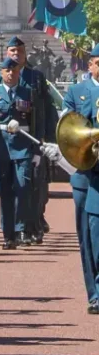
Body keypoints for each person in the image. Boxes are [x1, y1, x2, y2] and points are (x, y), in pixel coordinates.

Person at [0, 58, 52, 250]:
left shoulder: (28, 93)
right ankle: (8, 235)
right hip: (1, 149)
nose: (11, 74)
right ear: (1, 73)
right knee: (5, 193)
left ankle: (21, 229)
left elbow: (37, 123)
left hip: (22, 148)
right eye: (7, 70)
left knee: (23, 189)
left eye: (14, 71)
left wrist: (37, 150)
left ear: (19, 73)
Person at [62, 45, 99, 314]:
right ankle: (94, 294)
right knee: (88, 238)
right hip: (85, 175)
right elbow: (68, 130)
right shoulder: (76, 92)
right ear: (91, 66)